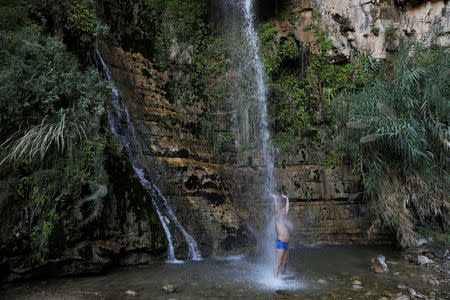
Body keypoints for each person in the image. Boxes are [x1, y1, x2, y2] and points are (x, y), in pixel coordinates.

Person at [271, 193, 290, 278]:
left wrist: (287, 199)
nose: (284, 211)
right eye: (282, 210)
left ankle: (283, 277)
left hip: (286, 243)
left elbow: (287, 208)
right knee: (278, 262)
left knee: (285, 262)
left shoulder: (285, 219)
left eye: (284, 211)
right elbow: (275, 209)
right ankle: (274, 280)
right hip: (280, 243)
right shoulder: (277, 219)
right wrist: (275, 198)